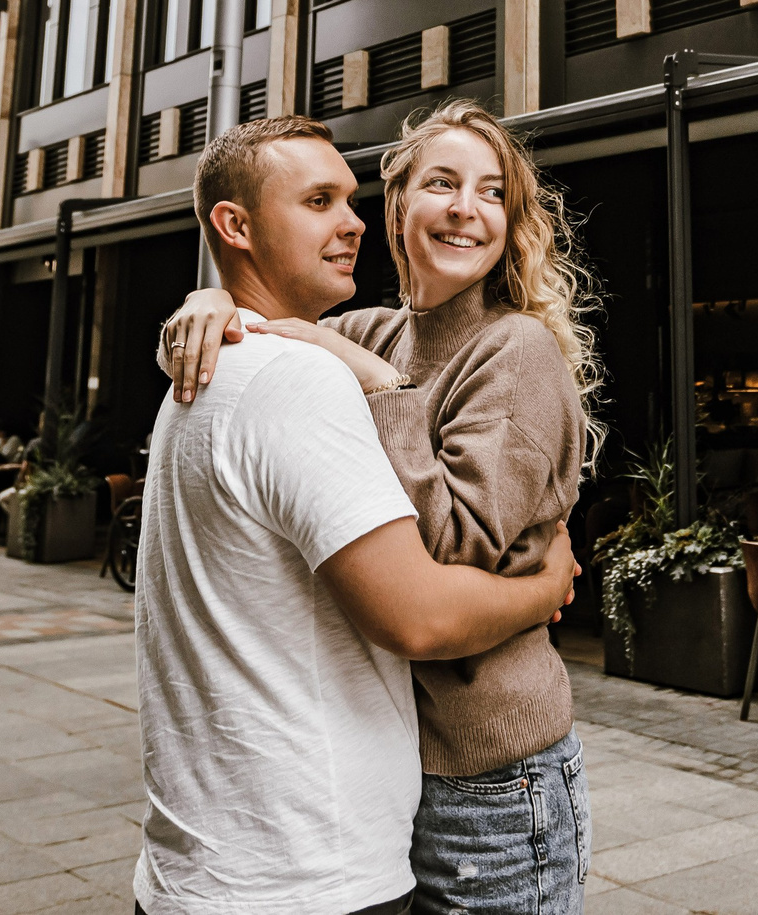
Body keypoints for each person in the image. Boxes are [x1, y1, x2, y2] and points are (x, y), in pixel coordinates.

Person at [160, 100, 600, 915]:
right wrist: (207, 304)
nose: (466, 208)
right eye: (442, 183)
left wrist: (377, 386)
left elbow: (455, 559)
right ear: (397, 204)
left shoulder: (516, 350)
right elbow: (259, 330)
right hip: (398, 771)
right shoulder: (374, 328)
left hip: (493, 781)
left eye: (491, 191)